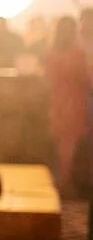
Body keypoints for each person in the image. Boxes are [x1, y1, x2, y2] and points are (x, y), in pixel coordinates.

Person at [45, 15, 89, 197]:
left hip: (57, 101)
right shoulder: (77, 54)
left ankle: (62, 180)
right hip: (74, 102)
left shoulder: (51, 53)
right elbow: (85, 79)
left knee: (62, 144)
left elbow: (47, 78)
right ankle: (65, 182)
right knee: (69, 145)